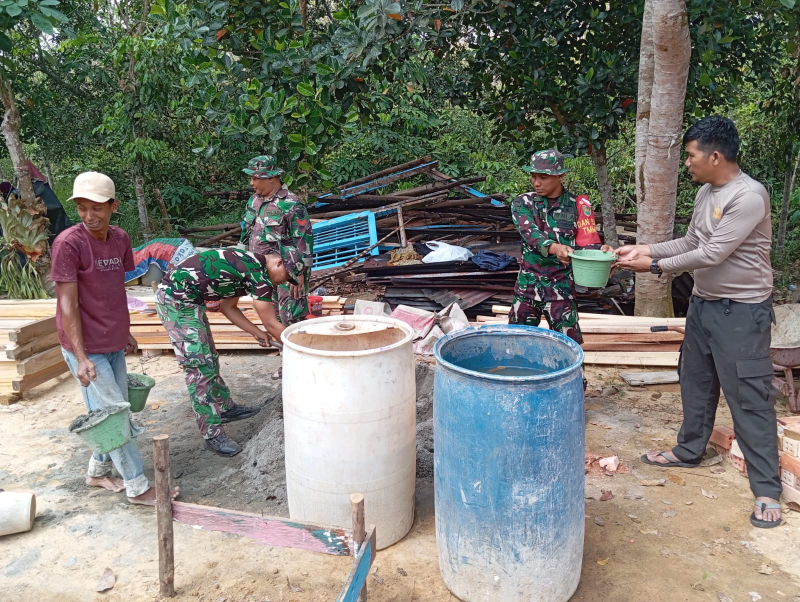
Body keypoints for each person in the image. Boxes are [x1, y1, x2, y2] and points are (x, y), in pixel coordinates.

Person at [614, 116, 781, 529]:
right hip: (704, 304)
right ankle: (689, 451)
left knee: (748, 396)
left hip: (742, 311)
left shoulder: (749, 196)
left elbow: (712, 254)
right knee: (696, 381)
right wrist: (646, 246)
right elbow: (692, 242)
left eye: (691, 155)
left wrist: (654, 265)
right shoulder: (708, 192)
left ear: (715, 155)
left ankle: (766, 489)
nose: (687, 163)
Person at [51, 172, 176, 506]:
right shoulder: (68, 244)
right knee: (116, 416)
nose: (90, 217)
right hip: (85, 346)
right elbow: (68, 304)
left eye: (97, 209)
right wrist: (80, 357)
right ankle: (137, 487)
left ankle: (96, 471)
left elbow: (113, 287)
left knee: (112, 410)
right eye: (82, 209)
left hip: (112, 340)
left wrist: (125, 330)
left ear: (113, 206)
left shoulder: (120, 239)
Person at [156, 248, 293, 457]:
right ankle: (211, 433)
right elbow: (274, 325)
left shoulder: (248, 265)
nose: (283, 283)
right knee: (199, 368)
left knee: (209, 358)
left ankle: (224, 408)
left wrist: (256, 332)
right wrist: (303, 347)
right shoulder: (258, 275)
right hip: (176, 301)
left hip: (189, 301)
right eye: (286, 277)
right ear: (279, 264)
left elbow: (228, 307)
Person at [510, 149, 611, 343]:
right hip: (527, 290)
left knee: (569, 348)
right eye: (533, 176)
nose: (536, 183)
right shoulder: (523, 202)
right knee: (515, 345)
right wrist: (556, 248)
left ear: (560, 175)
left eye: (543, 177)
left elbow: (586, 243)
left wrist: (602, 253)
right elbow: (531, 235)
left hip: (561, 291)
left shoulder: (577, 205)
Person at [239, 155, 313, 379]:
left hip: (286, 272)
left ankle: (306, 362)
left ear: (271, 178)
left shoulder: (291, 203)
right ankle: (288, 363)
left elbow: (304, 240)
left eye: (255, 178)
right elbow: (246, 231)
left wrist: (299, 274)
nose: (252, 183)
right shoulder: (254, 201)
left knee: (291, 317)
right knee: (272, 319)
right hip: (260, 272)